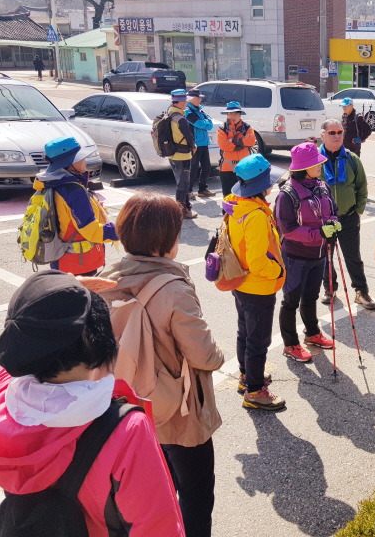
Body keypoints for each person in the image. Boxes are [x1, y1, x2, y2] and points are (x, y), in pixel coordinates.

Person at [0, 270, 185, 535]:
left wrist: (61, 294)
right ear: (96, 342)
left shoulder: (3, 403)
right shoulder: (126, 430)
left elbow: (19, 348)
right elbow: (158, 527)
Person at [100, 192, 224, 537]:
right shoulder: (172, 288)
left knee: (154, 493)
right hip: (178, 410)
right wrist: (220, 355)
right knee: (196, 493)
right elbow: (203, 354)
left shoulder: (105, 278)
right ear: (164, 241)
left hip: (126, 404)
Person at [224, 154, 287, 410]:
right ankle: (255, 391)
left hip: (239, 282)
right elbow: (258, 261)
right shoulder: (257, 216)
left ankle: (247, 375)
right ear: (261, 186)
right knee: (258, 341)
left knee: (245, 332)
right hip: (258, 287)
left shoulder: (235, 205)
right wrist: (278, 271)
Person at [274, 142, 338, 363]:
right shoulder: (287, 194)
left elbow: (333, 210)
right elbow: (287, 229)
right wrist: (318, 232)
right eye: (315, 163)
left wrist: (333, 222)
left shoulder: (322, 186)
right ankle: (290, 344)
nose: (320, 165)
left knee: (311, 296)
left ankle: (312, 333)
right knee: (291, 301)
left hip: (319, 254)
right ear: (303, 168)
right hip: (295, 256)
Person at [34, 135, 118, 276]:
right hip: (80, 264)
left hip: (61, 259)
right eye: (80, 158)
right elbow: (91, 230)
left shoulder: (51, 183)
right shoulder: (73, 191)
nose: (85, 161)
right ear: (70, 163)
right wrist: (123, 229)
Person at [319, 119, 375, 309]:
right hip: (324, 220)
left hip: (348, 216)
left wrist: (358, 211)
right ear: (323, 135)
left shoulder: (352, 158)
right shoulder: (316, 159)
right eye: (332, 132)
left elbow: (362, 187)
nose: (337, 136)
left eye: (340, 132)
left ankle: (361, 291)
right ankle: (330, 288)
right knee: (326, 257)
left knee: (353, 257)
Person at [167, 89, 198, 219]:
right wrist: (193, 146)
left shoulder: (169, 114)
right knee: (183, 184)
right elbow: (189, 136)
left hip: (172, 153)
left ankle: (185, 207)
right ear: (179, 102)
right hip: (183, 155)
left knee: (180, 182)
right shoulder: (180, 119)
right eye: (184, 101)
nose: (186, 103)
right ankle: (181, 210)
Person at [217, 101, 256, 200]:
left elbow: (251, 141)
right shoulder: (222, 128)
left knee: (245, 196)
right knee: (228, 197)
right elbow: (223, 144)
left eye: (235, 113)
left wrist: (234, 140)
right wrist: (240, 144)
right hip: (227, 168)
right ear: (227, 115)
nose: (232, 116)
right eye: (230, 113)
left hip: (244, 167)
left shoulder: (247, 127)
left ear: (240, 114)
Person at [185, 88, 215, 199]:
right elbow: (199, 124)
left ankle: (202, 189)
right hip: (194, 144)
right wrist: (205, 123)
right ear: (191, 98)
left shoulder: (201, 111)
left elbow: (210, 125)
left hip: (204, 143)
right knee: (193, 168)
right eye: (198, 97)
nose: (200, 99)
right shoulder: (187, 111)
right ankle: (188, 190)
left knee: (207, 167)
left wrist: (204, 123)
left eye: (200, 97)